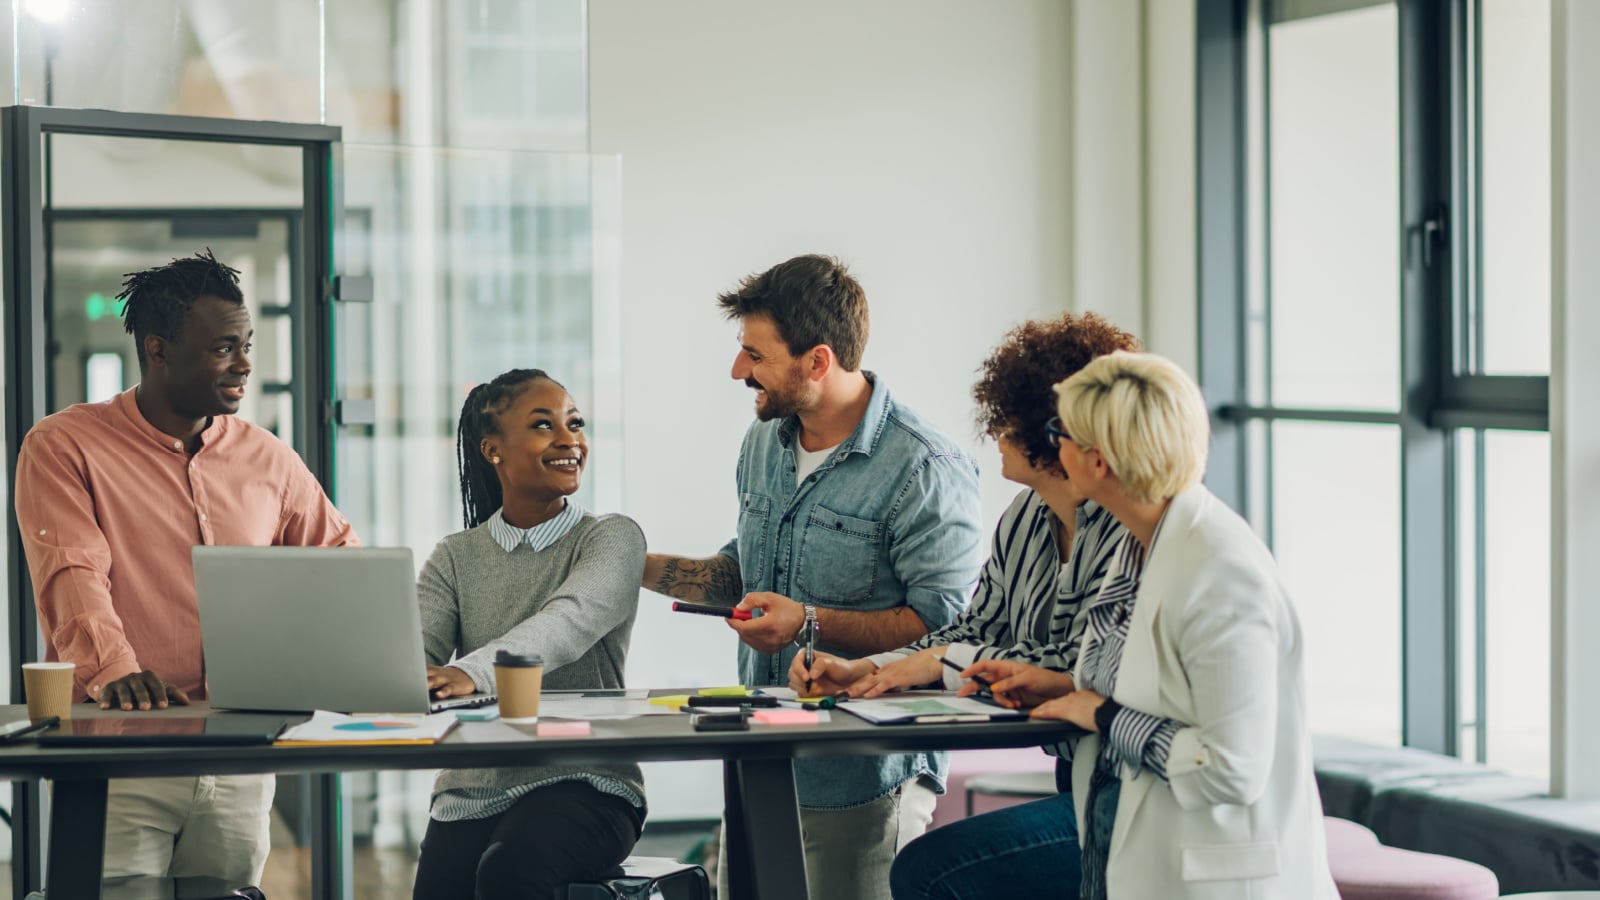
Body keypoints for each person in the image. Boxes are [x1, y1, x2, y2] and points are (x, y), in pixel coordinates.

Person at [642, 254, 985, 900]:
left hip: (862, 783)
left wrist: (809, 623)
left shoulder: (923, 467)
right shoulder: (762, 444)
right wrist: (633, 562)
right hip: (759, 766)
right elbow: (746, 578)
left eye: (754, 355)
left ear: (818, 361)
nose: (738, 371)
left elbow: (947, 630)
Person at [13, 250, 359, 885]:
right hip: (123, 743)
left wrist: (370, 662)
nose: (245, 364)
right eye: (224, 348)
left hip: (241, 747)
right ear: (158, 350)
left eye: (247, 343)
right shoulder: (64, 446)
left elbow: (340, 567)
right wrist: (115, 670)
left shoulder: (268, 457)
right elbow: (72, 574)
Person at [788, 312, 1139, 900]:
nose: (994, 431)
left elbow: (1075, 661)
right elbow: (974, 629)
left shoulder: (1126, 525)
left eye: (1006, 416)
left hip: (1130, 790)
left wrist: (948, 659)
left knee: (932, 871)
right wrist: (867, 669)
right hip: (1076, 776)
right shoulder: (1025, 518)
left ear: (1052, 429)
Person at [969, 351, 1338, 899]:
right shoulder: (1141, 545)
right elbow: (1159, 687)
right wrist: (1067, 685)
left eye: (1060, 431)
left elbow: (1230, 769)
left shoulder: (1222, 572)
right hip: (1121, 845)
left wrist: (1101, 714)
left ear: (1099, 461)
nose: (1054, 446)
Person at [411, 368, 647, 900]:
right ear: (493, 450)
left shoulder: (612, 538)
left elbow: (565, 622)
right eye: (544, 425)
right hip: (471, 788)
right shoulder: (455, 555)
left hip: (587, 783)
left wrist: (468, 673)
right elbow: (413, 664)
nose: (570, 440)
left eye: (575, 423)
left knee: (509, 872)